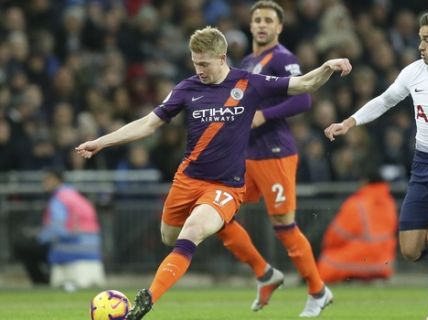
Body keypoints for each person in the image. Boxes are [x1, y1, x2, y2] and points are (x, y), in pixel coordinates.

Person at [76, 26, 351, 320]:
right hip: (187, 179)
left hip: (226, 185)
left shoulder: (250, 84)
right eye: (195, 62)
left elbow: (304, 85)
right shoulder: (186, 88)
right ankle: (265, 272)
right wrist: (101, 142)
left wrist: (326, 67)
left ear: (222, 57)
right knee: (170, 237)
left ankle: (146, 301)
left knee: (193, 231)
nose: (199, 69)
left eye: (204, 63)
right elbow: (148, 124)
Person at [324, 12, 428, 320]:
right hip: (422, 166)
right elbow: (384, 100)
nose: (420, 47)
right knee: (410, 250)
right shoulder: (414, 73)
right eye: (420, 39)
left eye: (427, 40)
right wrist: (350, 122)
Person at [215, 1, 330, 317]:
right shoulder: (250, 60)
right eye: (257, 20)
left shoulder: (284, 59)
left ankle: (318, 291)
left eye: (269, 20)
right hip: (245, 154)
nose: (262, 25)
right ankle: (265, 273)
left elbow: (304, 99)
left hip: (275, 152)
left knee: (283, 223)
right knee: (217, 214)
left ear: (279, 27)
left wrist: (265, 115)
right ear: (250, 26)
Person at [14, 168, 106, 290]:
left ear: (56, 180)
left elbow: (58, 229)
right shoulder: (76, 196)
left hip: (70, 250)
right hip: (92, 250)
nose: (44, 183)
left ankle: (41, 283)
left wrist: (38, 237)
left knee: (23, 248)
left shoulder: (59, 199)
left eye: (47, 180)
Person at [316, 161, 398, 284]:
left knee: (325, 259)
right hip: (383, 261)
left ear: (365, 181)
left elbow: (336, 235)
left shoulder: (357, 203)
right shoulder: (389, 203)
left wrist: (325, 244)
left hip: (359, 258)